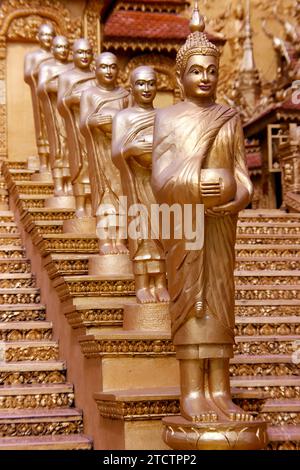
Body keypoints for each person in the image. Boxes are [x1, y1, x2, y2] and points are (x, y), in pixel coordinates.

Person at [151, 30, 253, 422]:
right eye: (196, 71)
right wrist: (195, 183)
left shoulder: (230, 117)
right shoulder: (168, 118)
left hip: (221, 225)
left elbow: (243, 175)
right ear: (180, 78)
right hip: (185, 222)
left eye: (211, 71)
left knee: (219, 300)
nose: (205, 78)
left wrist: (236, 196)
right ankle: (193, 392)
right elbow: (160, 179)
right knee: (191, 303)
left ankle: (221, 391)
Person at [112, 66, 169, 304]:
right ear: (131, 87)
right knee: (141, 231)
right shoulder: (123, 117)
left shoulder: (165, 116)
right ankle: (143, 283)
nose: (146, 89)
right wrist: (131, 149)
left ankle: (160, 282)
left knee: (162, 232)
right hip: (135, 181)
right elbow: (116, 152)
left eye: (151, 83)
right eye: (141, 84)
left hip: (159, 181)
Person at [80, 52, 129, 254]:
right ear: (95, 69)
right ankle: (105, 241)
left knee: (122, 196)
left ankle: (120, 240)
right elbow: (82, 124)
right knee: (104, 196)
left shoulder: (126, 95)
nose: (108, 71)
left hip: (120, 154)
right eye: (104, 67)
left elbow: (132, 122)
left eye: (112, 67)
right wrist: (92, 121)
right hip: (99, 152)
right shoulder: (89, 95)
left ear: (118, 70)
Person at [57, 39, 95, 218]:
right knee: (80, 163)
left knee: (94, 165)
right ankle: (80, 203)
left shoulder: (97, 75)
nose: (84, 56)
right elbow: (60, 103)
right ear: (73, 55)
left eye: (88, 52)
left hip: (94, 129)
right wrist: (72, 99)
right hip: (74, 124)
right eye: (80, 52)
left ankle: (95, 201)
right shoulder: (66, 77)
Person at [38, 36, 73, 196]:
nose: (63, 50)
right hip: (54, 112)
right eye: (59, 47)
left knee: (73, 149)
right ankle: (59, 182)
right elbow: (42, 88)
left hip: (71, 114)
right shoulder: (47, 67)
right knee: (59, 146)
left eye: (66, 47)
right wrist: (60, 86)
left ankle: (71, 181)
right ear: (52, 49)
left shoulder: (73, 67)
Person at [24, 23, 55, 174]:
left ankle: (56, 162)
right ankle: (43, 161)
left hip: (55, 98)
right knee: (42, 127)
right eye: (44, 35)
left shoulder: (58, 56)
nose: (47, 38)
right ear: (38, 37)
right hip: (39, 96)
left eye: (50, 35)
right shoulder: (32, 57)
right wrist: (40, 70)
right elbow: (27, 75)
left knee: (56, 129)